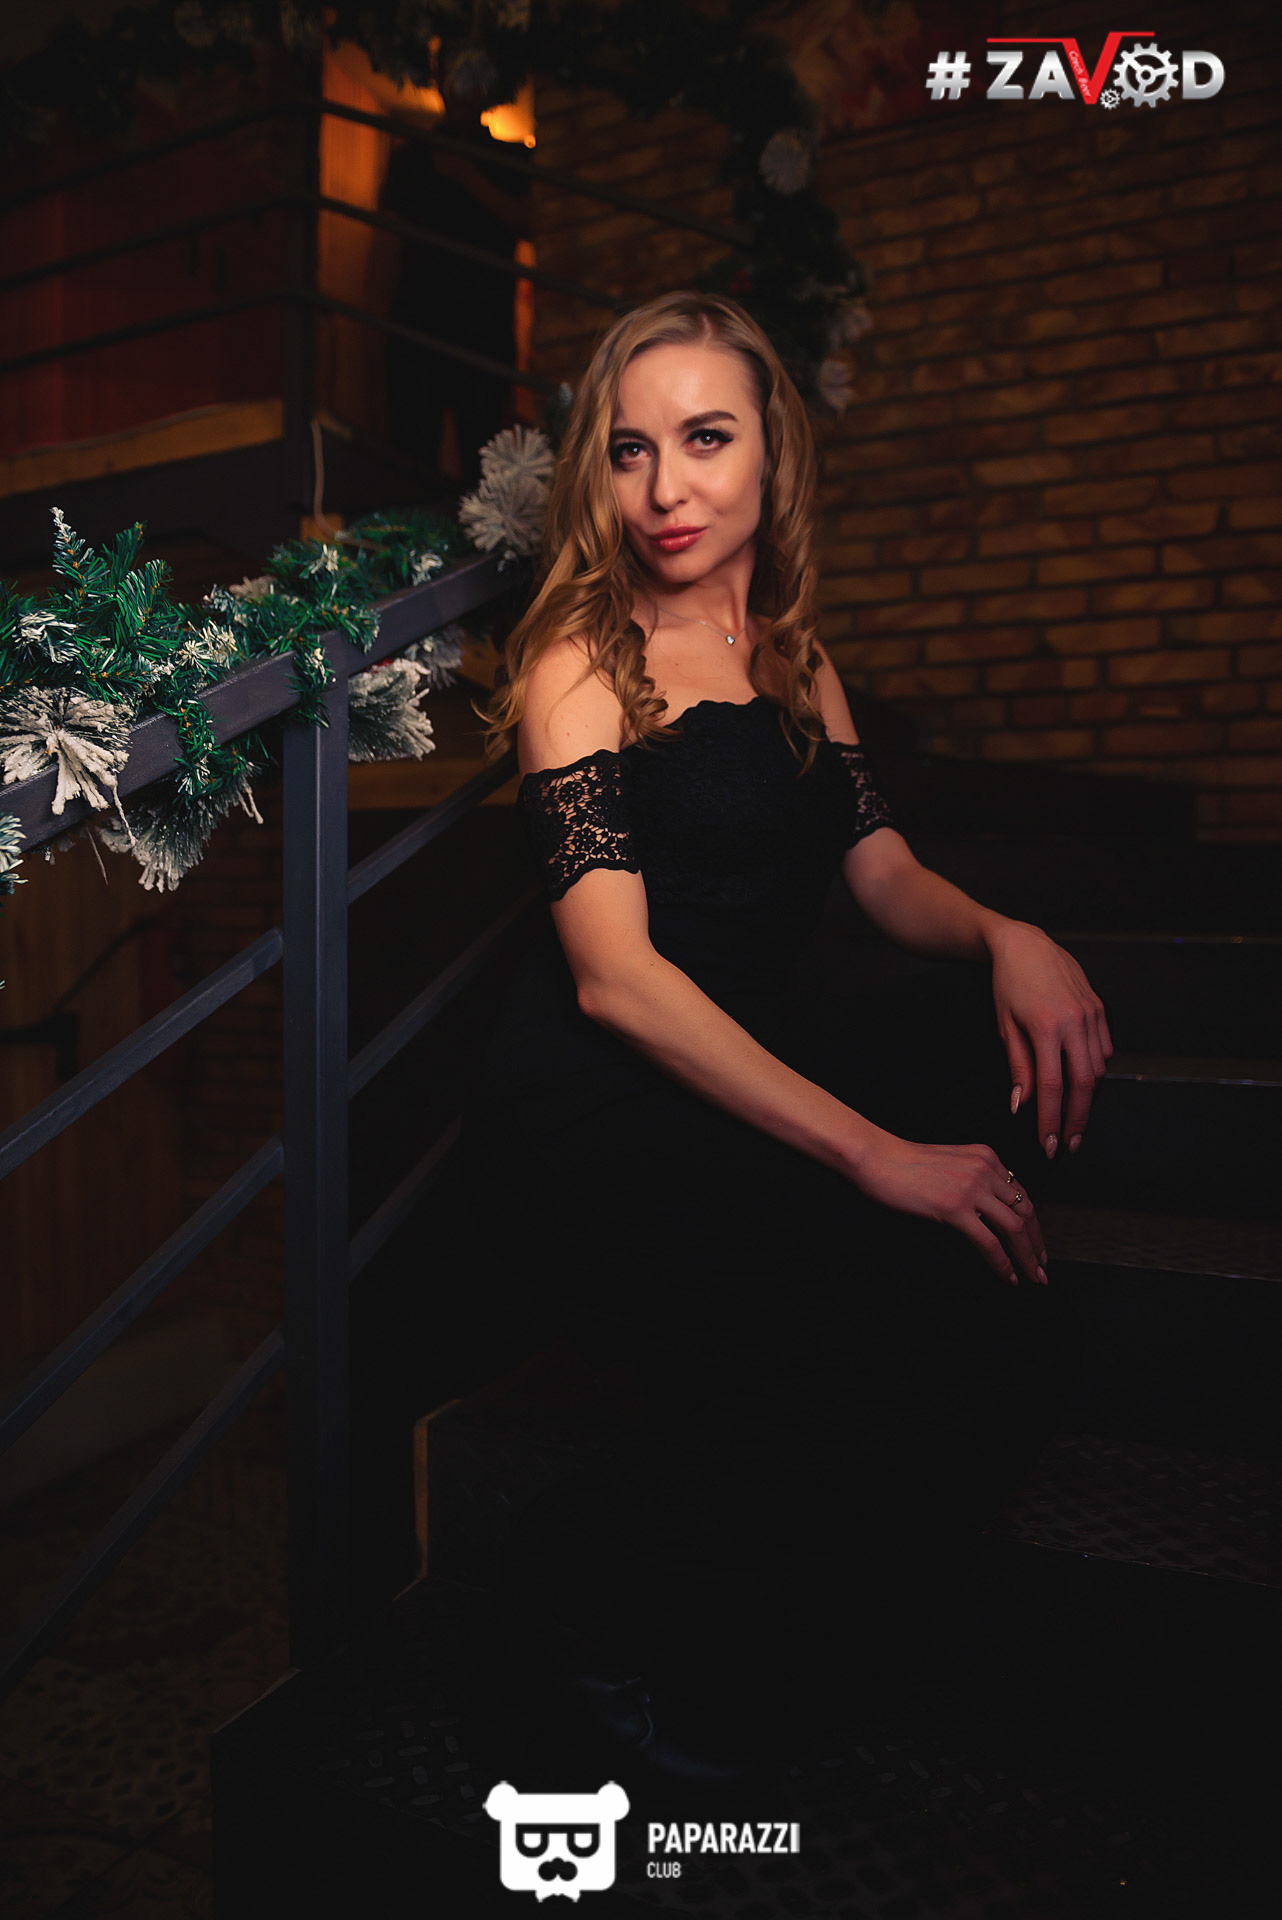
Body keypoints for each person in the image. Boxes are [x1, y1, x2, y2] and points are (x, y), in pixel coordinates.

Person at [458, 291, 1110, 1798]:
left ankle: (772, 1667)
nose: (664, 489)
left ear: (772, 454)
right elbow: (615, 980)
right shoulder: (577, 657)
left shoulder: (799, 661)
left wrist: (1005, 931)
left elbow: (881, 877)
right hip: (595, 1106)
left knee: (1009, 1330)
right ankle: (568, 1599)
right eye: (629, 450)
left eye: (704, 439)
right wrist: (874, 1155)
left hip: (743, 1088)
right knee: (882, 1326)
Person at [374, 83, 531, 488]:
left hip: (483, 322)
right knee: (410, 449)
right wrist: (376, 318)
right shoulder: (412, 158)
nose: (461, 89)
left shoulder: (511, 156)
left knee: (484, 450)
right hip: (416, 318)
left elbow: (530, 222)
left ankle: (481, 527)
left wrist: (467, 176)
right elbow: (386, 241)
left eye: (472, 75)